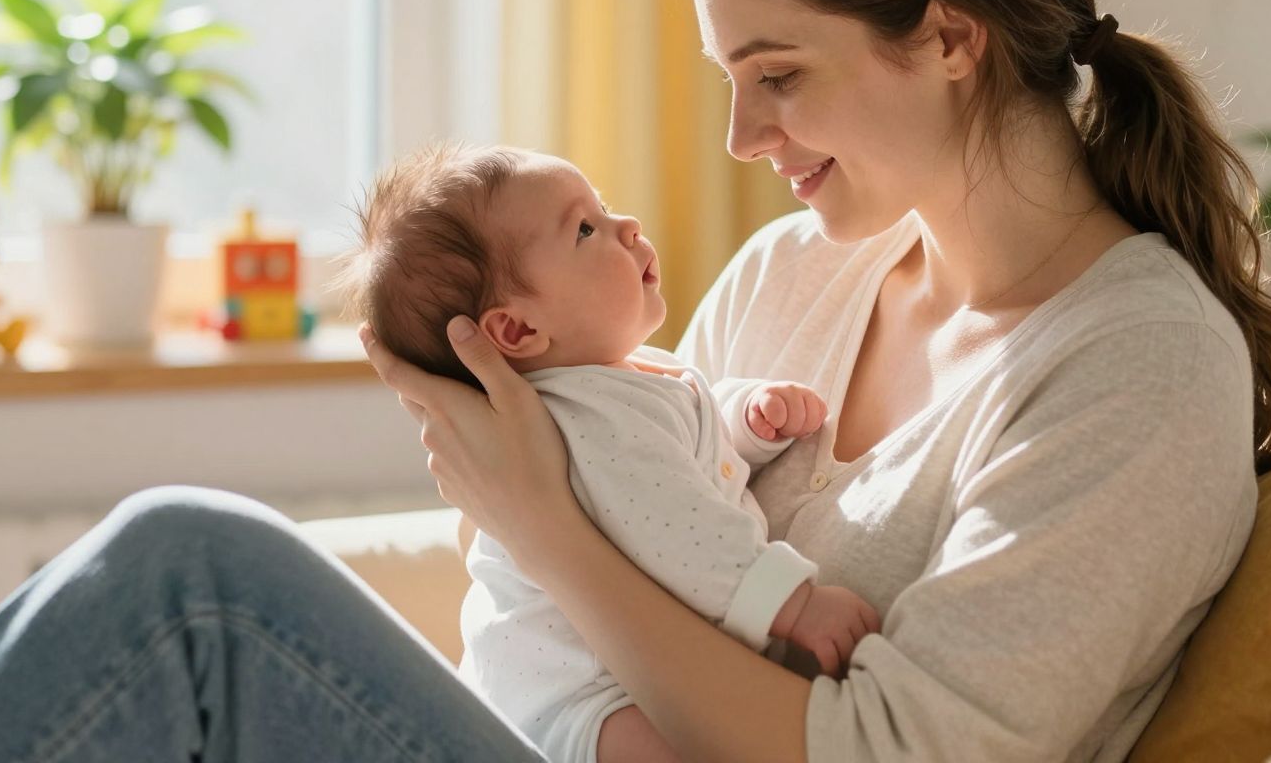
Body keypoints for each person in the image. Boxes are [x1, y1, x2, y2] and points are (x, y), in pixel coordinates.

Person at [0, 0, 1271, 763]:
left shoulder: (1135, 366)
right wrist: (525, 512)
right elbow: (620, 523)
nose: (743, 138)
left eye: (776, 76)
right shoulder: (793, 280)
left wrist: (546, 527)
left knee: (191, 580)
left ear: (950, 39)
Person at [334, 141, 882, 762]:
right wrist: (794, 604)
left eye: (605, 206)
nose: (627, 225)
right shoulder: (591, 416)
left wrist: (746, 423)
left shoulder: (620, 381)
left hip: (601, 674)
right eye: (586, 229)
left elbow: (682, 461)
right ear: (516, 331)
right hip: (578, 693)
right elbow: (680, 528)